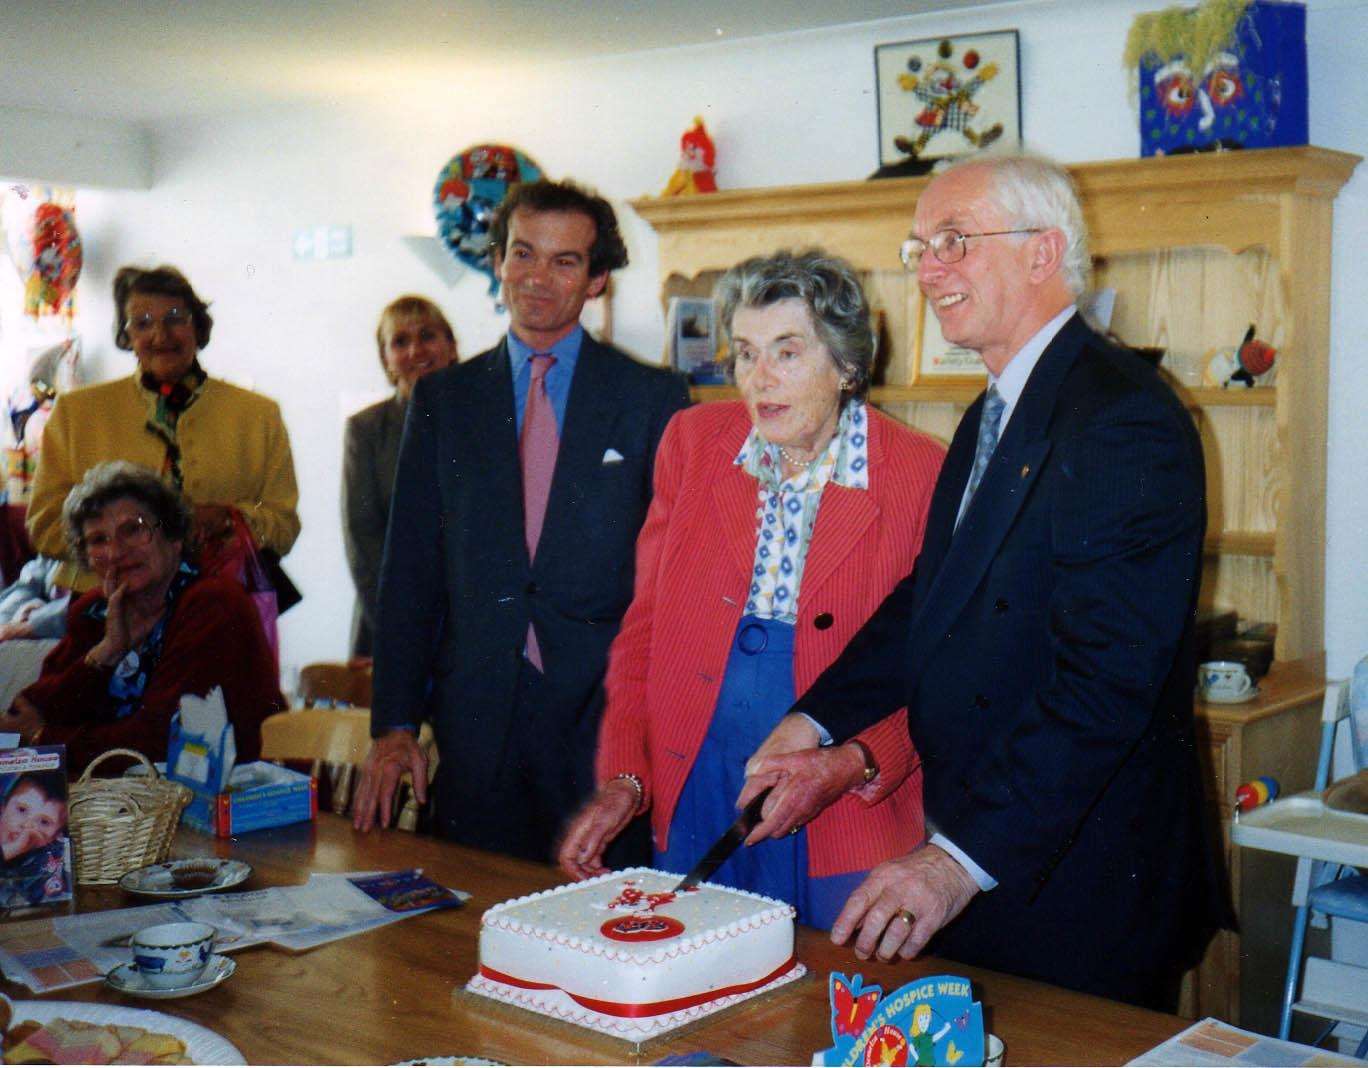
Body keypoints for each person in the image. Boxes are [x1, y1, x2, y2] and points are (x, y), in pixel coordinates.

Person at [739, 155, 1219, 1008]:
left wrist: (953, 862)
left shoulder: (1122, 419)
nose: (927, 269)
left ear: (1044, 253)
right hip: (994, 847)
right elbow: (935, 600)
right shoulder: (995, 409)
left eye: (954, 242)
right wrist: (812, 720)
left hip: (1081, 878)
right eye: (921, 246)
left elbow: (1104, 687)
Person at [556, 251, 943, 928]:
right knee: (692, 974)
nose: (759, 379)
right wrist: (626, 775)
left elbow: (942, 667)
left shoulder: (922, 473)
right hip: (698, 777)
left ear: (848, 364)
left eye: (787, 353)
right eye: (745, 353)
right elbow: (645, 629)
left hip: (844, 804)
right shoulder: (694, 443)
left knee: (828, 1006)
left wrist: (856, 763)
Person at [353, 179, 691, 863]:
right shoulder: (443, 402)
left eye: (565, 261)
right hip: (477, 719)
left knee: (605, 923)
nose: (538, 279)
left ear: (596, 279)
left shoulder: (651, 398)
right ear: (498, 262)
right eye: (523, 254)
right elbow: (410, 573)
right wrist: (394, 723)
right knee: (471, 927)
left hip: (604, 726)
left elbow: (671, 581)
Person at [26, 265, 300, 594]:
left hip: (222, 606)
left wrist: (227, 519)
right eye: (142, 324)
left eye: (174, 318)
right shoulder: (75, 413)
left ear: (198, 327)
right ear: (127, 337)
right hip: (104, 606)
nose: (160, 336)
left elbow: (283, 526)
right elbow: (44, 526)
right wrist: (126, 546)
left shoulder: (259, 415)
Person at [3, 462, 285, 773]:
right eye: (98, 539)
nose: (116, 551)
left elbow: (161, 740)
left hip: (235, 803)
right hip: (124, 807)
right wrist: (105, 653)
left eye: (133, 529)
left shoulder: (214, 604)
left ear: (174, 536)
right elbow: (24, 714)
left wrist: (47, 740)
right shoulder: (96, 610)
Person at [342, 296, 459, 659]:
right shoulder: (365, 429)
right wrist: (402, 628)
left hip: (474, 626)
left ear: (451, 346)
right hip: (390, 626)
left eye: (427, 335)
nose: (416, 350)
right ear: (386, 359)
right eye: (400, 341)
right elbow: (363, 540)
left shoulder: (487, 421)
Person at [0, 769, 69, 910]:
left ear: (56, 835)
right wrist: (9, 850)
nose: (27, 826)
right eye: (21, 810)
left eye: (44, 821)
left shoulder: (49, 862)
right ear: (2, 809)